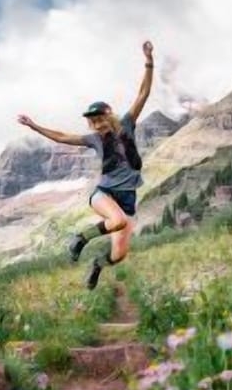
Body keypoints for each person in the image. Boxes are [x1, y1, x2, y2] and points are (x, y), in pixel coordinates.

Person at [17, 40, 155, 290]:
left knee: (119, 254)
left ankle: (97, 265)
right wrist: (34, 126)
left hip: (128, 198)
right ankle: (80, 239)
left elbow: (143, 94)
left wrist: (148, 61)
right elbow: (61, 137)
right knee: (118, 221)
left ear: (109, 116)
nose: (97, 124)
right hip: (104, 194)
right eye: (93, 122)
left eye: (100, 119)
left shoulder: (127, 124)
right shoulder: (94, 140)